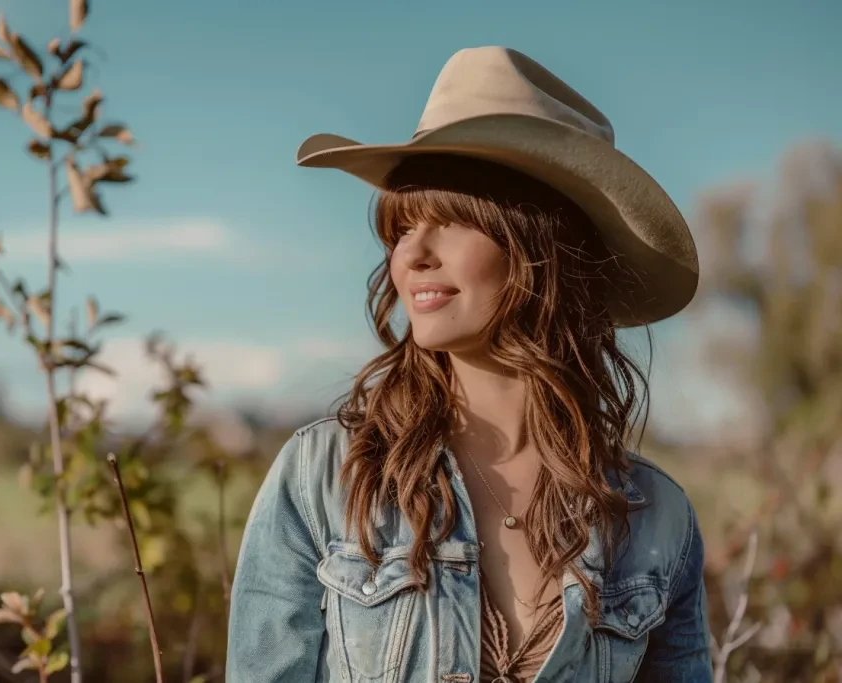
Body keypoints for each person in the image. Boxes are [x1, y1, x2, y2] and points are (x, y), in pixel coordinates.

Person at [226, 46, 712, 683]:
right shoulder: (325, 480)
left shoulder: (656, 520)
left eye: (451, 220)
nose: (412, 255)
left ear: (543, 245)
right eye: (401, 227)